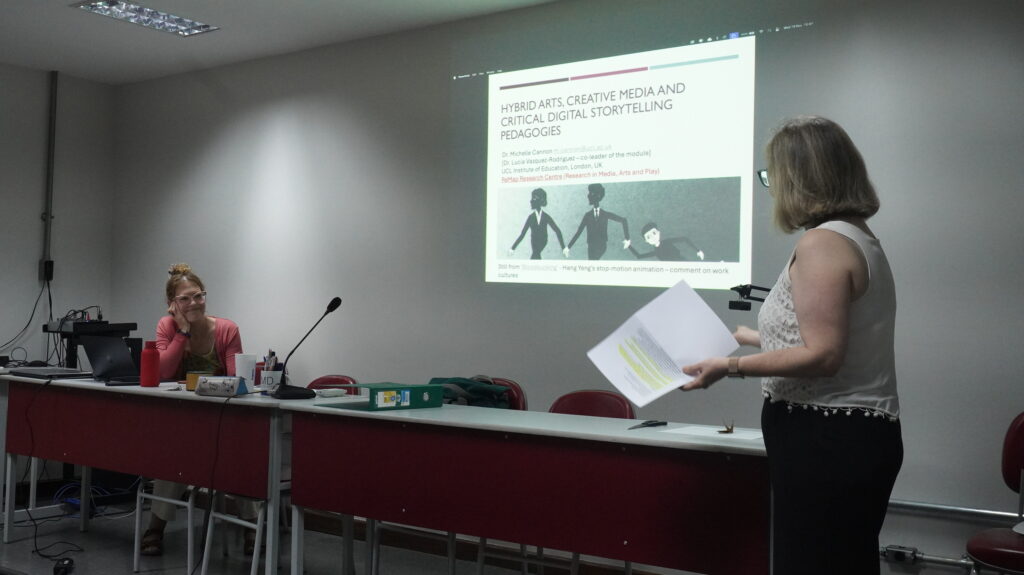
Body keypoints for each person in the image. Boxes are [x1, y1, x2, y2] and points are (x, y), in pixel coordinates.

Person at [680, 117, 902, 575]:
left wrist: (730, 367)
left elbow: (823, 355)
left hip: (827, 440)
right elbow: (836, 338)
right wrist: (749, 338)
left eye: (772, 176)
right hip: (851, 439)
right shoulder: (855, 234)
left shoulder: (822, 243)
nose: (773, 188)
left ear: (799, 178)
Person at [140, 263, 256, 556]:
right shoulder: (167, 326)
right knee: (173, 458)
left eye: (198, 296)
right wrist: (182, 332)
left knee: (242, 456)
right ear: (172, 304)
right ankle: (155, 528)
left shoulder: (227, 329)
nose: (194, 303)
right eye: (185, 298)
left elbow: (236, 378)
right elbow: (164, 372)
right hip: (182, 419)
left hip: (222, 419)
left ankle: (252, 527)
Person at [566, 183, 630, 259]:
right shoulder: (587, 215)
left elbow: (623, 220)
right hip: (591, 248)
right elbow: (578, 232)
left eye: (591, 193)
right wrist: (568, 247)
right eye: (589, 193)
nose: (588, 196)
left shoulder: (605, 214)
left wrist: (627, 239)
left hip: (602, 247)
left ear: (598, 196)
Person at [508, 188, 567, 259]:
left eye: (534, 198)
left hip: (543, 242)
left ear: (540, 200)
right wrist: (513, 248)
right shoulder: (531, 217)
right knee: (536, 257)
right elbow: (522, 234)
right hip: (534, 244)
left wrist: (563, 248)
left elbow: (557, 231)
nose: (531, 201)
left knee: (535, 256)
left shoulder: (546, 216)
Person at [628, 221, 705, 261]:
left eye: (654, 233)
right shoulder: (656, 252)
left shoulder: (667, 242)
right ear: (646, 241)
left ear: (658, 232)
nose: (653, 237)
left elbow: (684, 239)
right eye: (648, 237)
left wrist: (698, 251)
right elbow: (639, 256)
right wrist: (629, 245)